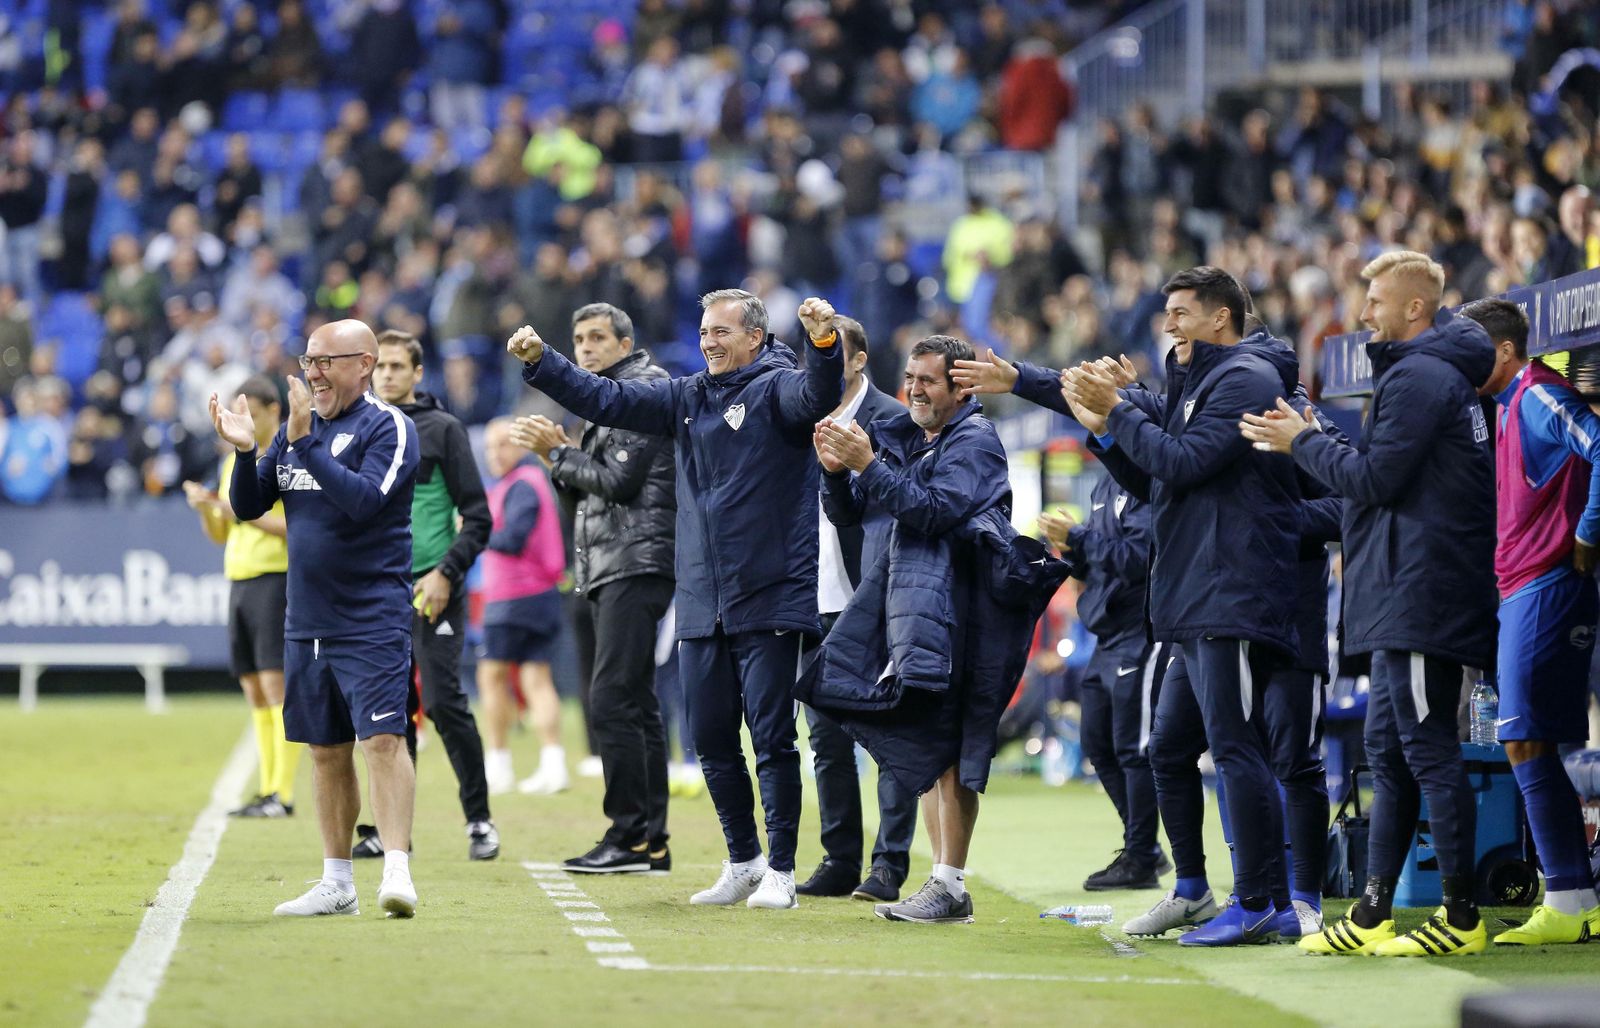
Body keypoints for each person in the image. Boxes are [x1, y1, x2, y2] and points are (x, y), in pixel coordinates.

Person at [508, 289, 843, 910]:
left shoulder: (780, 387)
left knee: (770, 737)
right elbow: (606, 397)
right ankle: (742, 860)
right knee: (711, 738)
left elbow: (818, 397)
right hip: (699, 592)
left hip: (766, 590)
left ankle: (782, 869)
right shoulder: (685, 397)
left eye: (722, 332)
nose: (709, 342)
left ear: (756, 338)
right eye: (704, 332)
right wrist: (542, 361)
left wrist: (824, 343)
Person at [1242, 251, 1498, 957]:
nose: (1364, 315)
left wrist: (1305, 443)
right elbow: (1384, 485)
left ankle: (1462, 916)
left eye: (1377, 301)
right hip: (1401, 590)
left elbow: (1377, 478)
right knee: (1386, 751)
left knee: (1426, 750)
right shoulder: (1427, 375)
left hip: (1424, 592)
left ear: (1415, 308)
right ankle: (1374, 909)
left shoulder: (1419, 376)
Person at [1061, 266, 1302, 947]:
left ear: (1220, 317)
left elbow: (1185, 462)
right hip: (1192, 595)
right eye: (1166, 312)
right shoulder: (1193, 381)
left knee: (1235, 747)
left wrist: (1121, 412)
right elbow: (1152, 475)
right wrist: (1106, 430)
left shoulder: (1247, 379)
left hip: (1232, 591)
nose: (1167, 324)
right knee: (1167, 749)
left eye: (1181, 312)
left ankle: (1260, 900)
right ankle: (1195, 890)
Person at [802, 334, 1067, 924]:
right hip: (917, 604)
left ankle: (949, 882)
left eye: (928, 380)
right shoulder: (913, 437)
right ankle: (941, 883)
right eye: (911, 378)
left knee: (950, 743)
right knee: (926, 742)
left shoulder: (975, 441)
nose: (915, 390)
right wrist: (835, 474)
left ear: (959, 386)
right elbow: (851, 513)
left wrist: (866, 464)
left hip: (964, 611)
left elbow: (933, 511)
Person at [212, 318, 421, 918]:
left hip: (371, 614)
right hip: (306, 618)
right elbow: (249, 506)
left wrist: (301, 443)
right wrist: (248, 449)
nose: (313, 373)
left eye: (326, 361)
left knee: (382, 739)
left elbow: (363, 504)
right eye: (308, 362)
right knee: (325, 750)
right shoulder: (297, 432)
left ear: (364, 363)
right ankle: (337, 883)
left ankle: (398, 871)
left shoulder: (389, 428)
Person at [509, 302, 678, 875]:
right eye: (578, 337)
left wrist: (556, 453)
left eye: (597, 337)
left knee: (609, 698)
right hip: (616, 560)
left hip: (636, 558)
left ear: (625, 342)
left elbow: (619, 482)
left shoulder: (640, 392)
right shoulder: (608, 402)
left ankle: (628, 837)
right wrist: (565, 458)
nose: (584, 346)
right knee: (635, 701)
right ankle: (651, 841)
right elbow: (585, 499)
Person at [1462, 297, 1600, 944]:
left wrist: (1588, 533)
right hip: (1523, 586)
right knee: (1532, 739)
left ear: (1506, 351)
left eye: (1471, 348)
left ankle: (1572, 897)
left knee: (1522, 736)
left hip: (1546, 584)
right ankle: (1574, 894)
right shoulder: (1506, 406)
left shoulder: (1540, 394)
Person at [792, 316, 920, 904]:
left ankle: (889, 864)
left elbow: (900, 506)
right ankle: (840, 858)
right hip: (811, 597)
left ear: (859, 360)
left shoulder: (893, 419)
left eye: (831, 351)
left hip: (873, 597)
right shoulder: (796, 416)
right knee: (826, 739)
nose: (816, 361)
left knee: (888, 736)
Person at [368, 330, 498, 862]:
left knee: (442, 702)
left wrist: (446, 573)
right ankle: (393, 832)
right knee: (388, 713)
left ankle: (480, 820)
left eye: (399, 366)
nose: (389, 375)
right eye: (382, 367)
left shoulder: (443, 429)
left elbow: (479, 517)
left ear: (418, 373)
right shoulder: (361, 429)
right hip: (378, 591)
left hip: (431, 586)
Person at [1037, 471, 1169, 892]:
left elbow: (1138, 558)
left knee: (1133, 749)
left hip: (1141, 630)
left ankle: (1141, 856)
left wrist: (1080, 539)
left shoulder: (1150, 480)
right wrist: (1071, 550)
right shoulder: (1104, 483)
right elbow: (1096, 561)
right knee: (1098, 742)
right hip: (1105, 633)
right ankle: (1143, 847)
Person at [183, 375, 301, 819]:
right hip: (240, 577)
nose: (244, 419)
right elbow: (222, 532)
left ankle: (281, 792)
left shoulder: (288, 455)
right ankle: (268, 790)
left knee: (276, 685)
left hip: (275, 576)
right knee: (254, 688)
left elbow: (295, 527)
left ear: (275, 410)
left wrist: (235, 510)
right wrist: (208, 511)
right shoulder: (238, 457)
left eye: (251, 410)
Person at [477, 418, 570, 797]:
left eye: (502, 444)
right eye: (489, 447)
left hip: (514, 597)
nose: (495, 454)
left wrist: (472, 528)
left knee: (491, 677)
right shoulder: (524, 484)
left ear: (520, 446)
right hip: (539, 595)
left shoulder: (521, 486)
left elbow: (512, 538)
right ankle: (554, 764)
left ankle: (498, 765)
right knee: (536, 679)